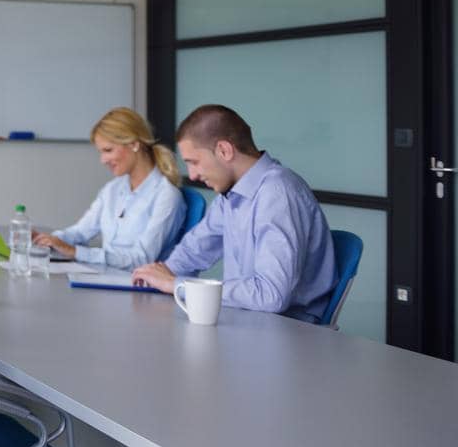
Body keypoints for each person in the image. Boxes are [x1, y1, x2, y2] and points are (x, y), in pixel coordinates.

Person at [132, 105, 336, 321]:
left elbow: (271, 295)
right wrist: (156, 276)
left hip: (288, 334)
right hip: (247, 323)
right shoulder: (231, 195)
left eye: (194, 162)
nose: (191, 175)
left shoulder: (277, 194)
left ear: (224, 151)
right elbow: (193, 251)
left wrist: (176, 284)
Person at [33, 107, 186, 269]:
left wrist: (76, 252)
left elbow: (142, 259)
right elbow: (80, 232)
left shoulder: (166, 195)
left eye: (108, 150)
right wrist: (47, 240)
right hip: (105, 275)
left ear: (134, 144)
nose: (103, 160)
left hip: (136, 284)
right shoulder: (112, 189)